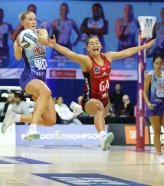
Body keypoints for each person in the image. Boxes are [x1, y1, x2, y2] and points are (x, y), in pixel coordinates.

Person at [48, 34, 155, 151]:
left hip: (104, 99)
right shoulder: (86, 60)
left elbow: (126, 52)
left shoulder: (108, 56)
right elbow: (70, 53)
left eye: (97, 43)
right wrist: (54, 45)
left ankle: (100, 138)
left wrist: (144, 46)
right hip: (89, 100)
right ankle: (102, 135)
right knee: (98, 107)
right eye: (92, 44)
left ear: (101, 45)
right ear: (87, 48)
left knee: (100, 115)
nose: (95, 45)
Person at [1, 11, 57, 141]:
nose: (33, 22)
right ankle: (31, 129)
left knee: (50, 120)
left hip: (42, 79)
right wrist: (17, 46)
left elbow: (46, 42)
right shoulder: (21, 36)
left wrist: (35, 37)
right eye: (30, 20)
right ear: (23, 23)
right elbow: (18, 56)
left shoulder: (41, 31)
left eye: (34, 19)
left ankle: (15, 117)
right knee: (46, 91)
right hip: (29, 77)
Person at [143, 56, 164, 164]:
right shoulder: (149, 76)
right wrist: (147, 103)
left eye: (160, 63)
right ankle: (159, 155)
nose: (158, 65)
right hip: (153, 106)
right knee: (157, 131)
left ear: (162, 64)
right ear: (153, 64)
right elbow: (144, 92)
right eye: (156, 63)